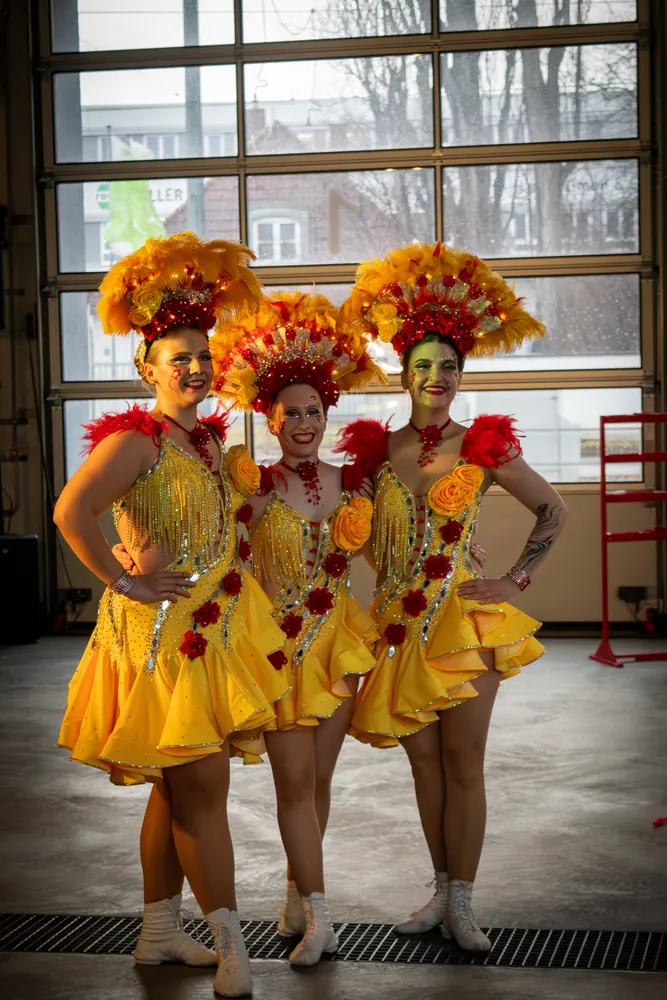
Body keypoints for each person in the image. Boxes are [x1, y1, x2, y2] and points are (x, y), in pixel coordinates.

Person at [55, 232, 289, 998]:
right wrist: (121, 582)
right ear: (147, 369)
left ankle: (158, 933)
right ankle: (231, 946)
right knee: (202, 790)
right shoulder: (135, 442)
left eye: (202, 356)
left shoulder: (208, 441)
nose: (194, 368)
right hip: (160, 642)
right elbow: (70, 511)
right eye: (178, 358)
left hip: (210, 637)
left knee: (175, 788)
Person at [336, 241, 567, 952]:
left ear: (462, 375)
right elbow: (349, 531)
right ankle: (439, 891)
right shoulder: (377, 452)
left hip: (465, 622)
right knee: (424, 764)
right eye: (423, 366)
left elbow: (552, 510)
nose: (435, 378)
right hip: (399, 625)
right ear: (404, 373)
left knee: (464, 762)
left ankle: (464, 904)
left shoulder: (483, 445)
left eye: (448, 367)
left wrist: (513, 579)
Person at [210, 291, 384, 966]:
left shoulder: (352, 484)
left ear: (326, 414)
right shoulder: (254, 490)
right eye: (292, 413)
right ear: (271, 418)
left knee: (318, 784)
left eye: (315, 411)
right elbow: (221, 556)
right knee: (292, 786)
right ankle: (320, 916)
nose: (305, 423)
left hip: (336, 647)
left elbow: (386, 552)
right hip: (279, 654)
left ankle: (294, 892)